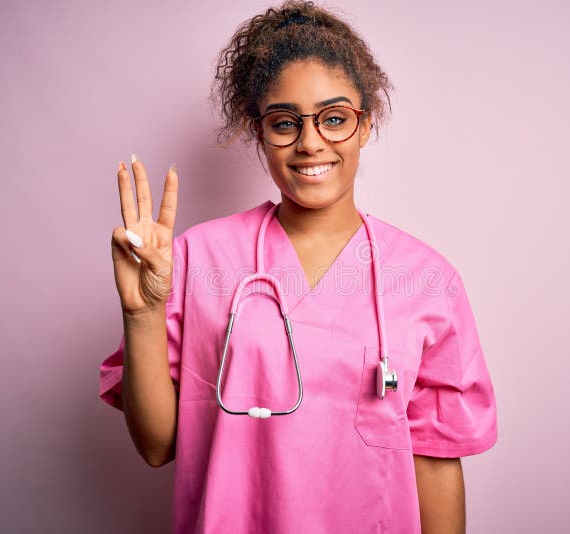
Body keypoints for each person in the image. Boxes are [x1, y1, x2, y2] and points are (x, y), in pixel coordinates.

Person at [100, 1, 497, 532]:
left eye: (334, 119)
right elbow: (157, 447)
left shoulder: (426, 280)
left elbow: (435, 461)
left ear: (364, 124)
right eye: (285, 122)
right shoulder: (197, 260)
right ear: (258, 130)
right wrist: (144, 312)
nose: (311, 142)